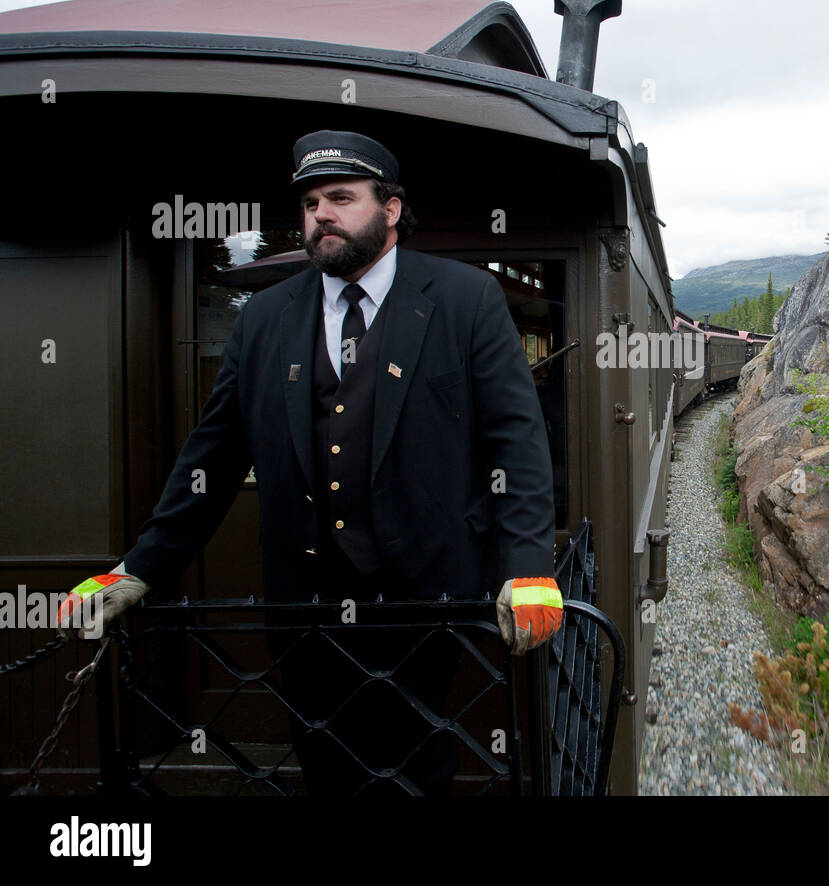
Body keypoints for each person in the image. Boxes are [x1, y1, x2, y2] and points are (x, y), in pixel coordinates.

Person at [59, 130, 563, 793]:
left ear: (390, 209)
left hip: (427, 590)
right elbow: (210, 457)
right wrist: (136, 569)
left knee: (419, 758)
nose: (321, 213)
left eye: (341, 197)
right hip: (305, 600)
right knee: (324, 761)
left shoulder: (465, 299)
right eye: (310, 202)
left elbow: (516, 441)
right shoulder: (266, 318)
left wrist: (528, 567)